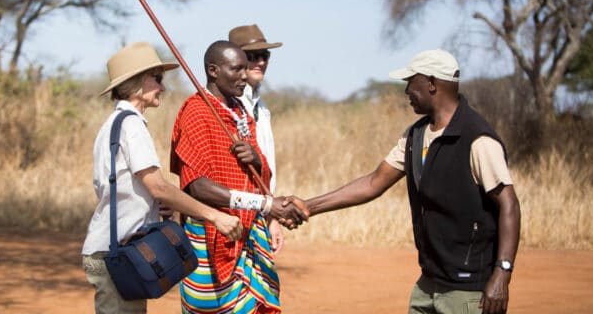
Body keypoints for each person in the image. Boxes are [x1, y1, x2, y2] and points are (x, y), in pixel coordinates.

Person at [302, 49, 521, 314]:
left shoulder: (477, 139)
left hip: (467, 290)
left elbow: (508, 204)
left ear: (431, 83)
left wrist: (503, 273)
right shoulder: (416, 136)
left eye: (410, 82)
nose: (406, 91)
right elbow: (373, 182)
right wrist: (308, 206)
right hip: (428, 284)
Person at [82, 42, 244, 314]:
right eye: (156, 79)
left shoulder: (113, 124)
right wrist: (215, 216)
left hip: (113, 250)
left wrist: (156, 206)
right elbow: (158, 186)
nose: (162, 87)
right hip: (117, 254)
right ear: (135, 83)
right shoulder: (131, 125)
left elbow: (116, 189)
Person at [170, 40, 309, 314]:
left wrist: (256, 159)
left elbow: (261, 175)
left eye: (246, 69)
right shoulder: (197, 112)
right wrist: (265, 206)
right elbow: (196, 186)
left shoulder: (240, 112)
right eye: (236, 69)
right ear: (213, 71)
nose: (245, 76)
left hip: (248, 233)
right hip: (211, 231)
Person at [228, 24, 285, 254]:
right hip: (232, 217)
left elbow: (265, 168)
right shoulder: (225, 106)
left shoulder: (261, 108)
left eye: (265, 55)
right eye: (252, 56)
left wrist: (273, 218)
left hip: (261, 213)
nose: (260, 62)